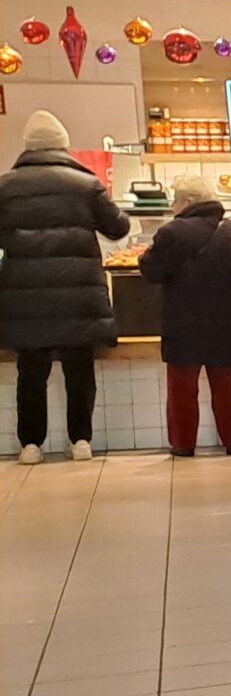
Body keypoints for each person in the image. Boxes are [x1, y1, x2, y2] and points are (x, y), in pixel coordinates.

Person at [0, 110, 128, 463]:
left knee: (31, 372)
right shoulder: (86, 184)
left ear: (28, 147)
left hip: (26, 297)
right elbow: (118, 227)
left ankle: (30, 445)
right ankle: (80, 440)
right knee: (79, 369)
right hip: (78, 295)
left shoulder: (5, 187)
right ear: (63, 145)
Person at [137, 180, 231, 456]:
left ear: (187, 202)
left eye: (175, 201)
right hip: (228, 322)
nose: (173, 206)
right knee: (228, 389)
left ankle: (183, 444)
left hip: (183, 323)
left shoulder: (172, 231)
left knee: (182, 391)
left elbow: (151, 271)